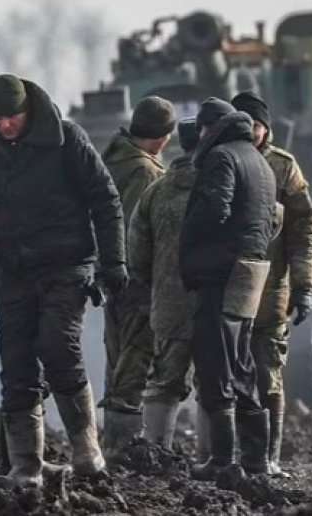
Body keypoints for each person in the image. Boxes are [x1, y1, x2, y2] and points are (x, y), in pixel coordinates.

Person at [0, 74, 127, 488]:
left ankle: (86, 449)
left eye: (13, 117)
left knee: (59, 346)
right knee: (17, 364)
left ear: (29, 111)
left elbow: (105, 199)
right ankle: (27, 466)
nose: (6, 126)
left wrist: (112, 264)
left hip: (66, 264)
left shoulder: (67, 140)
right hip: (11, 272)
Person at [180, 97, 277, 478]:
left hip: (219, 274)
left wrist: (190, 242)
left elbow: (214, 211)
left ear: (209, 128)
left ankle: (221, 460)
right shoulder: (260, 161)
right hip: (249, 274)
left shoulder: (222, 158)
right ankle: (255, 459)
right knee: (243, 365)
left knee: (216, 366)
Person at [231, 92, 312, 476]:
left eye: (257, 125)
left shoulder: (285, 168)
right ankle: (233, 455)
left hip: (271, 289)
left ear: (267, 128)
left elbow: (302, 230)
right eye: (243, 123)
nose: (251, 132)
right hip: (228, 286)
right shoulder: (220, 162)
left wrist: (304, 286)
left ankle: (270, 457)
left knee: (268, 374)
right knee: (228, 374)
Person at [99, 95, 176, 458]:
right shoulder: (145, 172)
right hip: (137, 279)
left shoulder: (112, 160)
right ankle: (123, 444)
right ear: (164, 137)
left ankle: (111, 441)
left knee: (117, 355)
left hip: (111, 276)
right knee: (137, 354)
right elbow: (137, 230)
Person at [129, 118, 200, 449]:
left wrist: (152, 290)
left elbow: (137, 255)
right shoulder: (224, 186)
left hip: (169, 303)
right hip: (216, 304)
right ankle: (214, 458)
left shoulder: (155, 192)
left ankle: (157, 450)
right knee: (216, 384)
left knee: (164, 382)